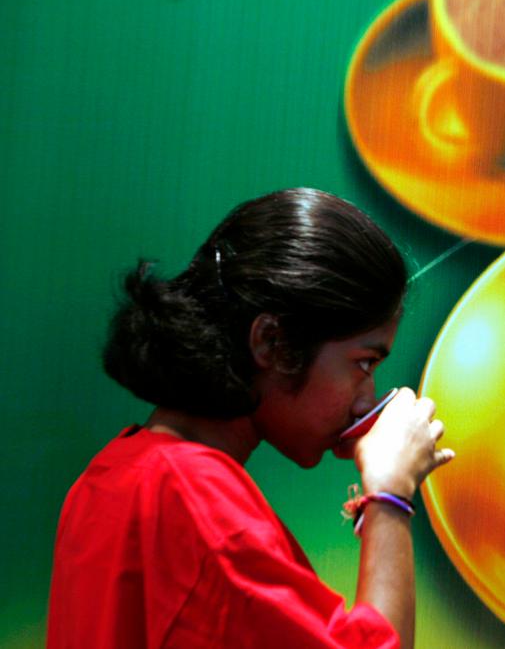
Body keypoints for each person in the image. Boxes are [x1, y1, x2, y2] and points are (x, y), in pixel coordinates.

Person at [47, 188, 453, 648]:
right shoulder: (196, 499)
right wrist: (391, 495)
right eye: (363, 363)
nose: (367, 400)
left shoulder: (107, 476)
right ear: (272, 343)